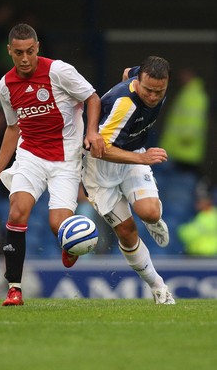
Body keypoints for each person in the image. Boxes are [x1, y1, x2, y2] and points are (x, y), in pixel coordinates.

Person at [0, 23, 105, 306]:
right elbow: (13, 129)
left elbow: (92, 97)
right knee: (18, 211)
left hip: (65, 159)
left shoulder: (59, 71)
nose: (25, 58)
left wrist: (92, 132)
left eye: (30, 51)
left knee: (57, 226)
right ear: (9, 51)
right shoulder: (5, 86)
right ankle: (14, 288)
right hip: (30, 156)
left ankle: (69, 245)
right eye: (19, 53)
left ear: (38, 48)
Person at [81, 56, 175, 304]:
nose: (153, 97)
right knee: (126, 231)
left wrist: (138, 158)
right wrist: (143, 160)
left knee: (150, 212)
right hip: (100, 171)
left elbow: (126, 70)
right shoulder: (124, 105)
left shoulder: (142, 76)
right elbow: (99, 149)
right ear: (138, 82)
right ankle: (158, 286)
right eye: (148, 91)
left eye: (159, 91)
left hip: (131, 157)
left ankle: (153, 221)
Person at [177, 182, 217, 256]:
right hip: (197, 255)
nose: (198, 203)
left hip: (206, 256)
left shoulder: (208, 216)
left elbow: (186, 235)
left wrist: (183, 230)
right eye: (198, 200)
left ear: (209, 201)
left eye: (201, 200)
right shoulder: (199, 215)